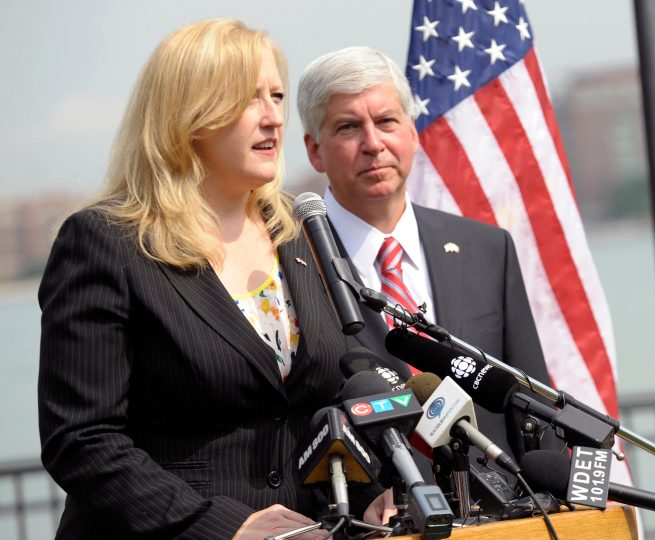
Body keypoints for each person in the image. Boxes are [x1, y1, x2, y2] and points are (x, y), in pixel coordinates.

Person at [38, 20, 391, 539]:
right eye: (249, 100)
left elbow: (327, 401)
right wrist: (224, 527)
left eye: (276, 95)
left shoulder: (299, 229)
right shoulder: (105, 242)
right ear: (188, 113)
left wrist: (373, 490)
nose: (274, 117)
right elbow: (82, 439)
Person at [297, 46, 559, 462]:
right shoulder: (292, 263)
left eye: (386, 121)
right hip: (371, 518)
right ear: (314, 150)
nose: (373, 143)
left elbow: (533, 409)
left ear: (413, 133)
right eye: (348, 128)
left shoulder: (487, 249)